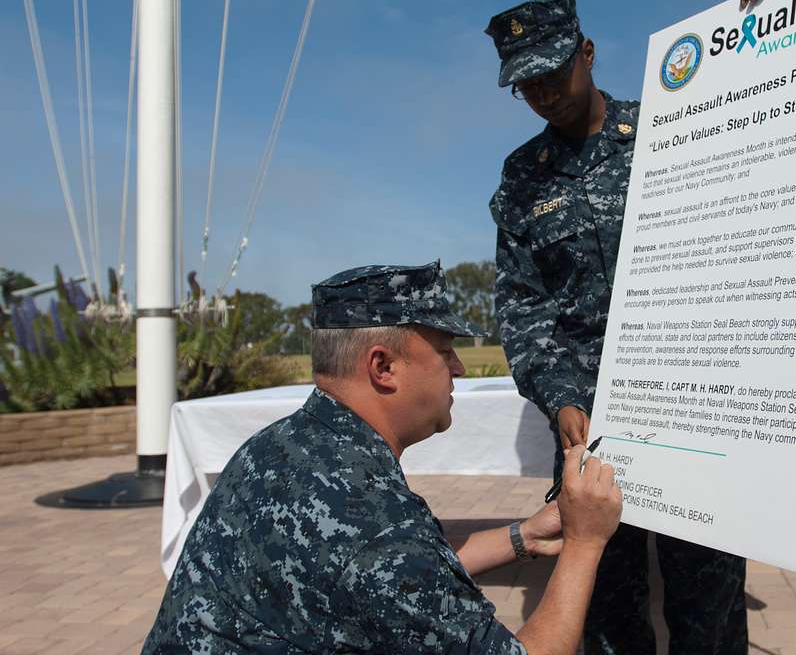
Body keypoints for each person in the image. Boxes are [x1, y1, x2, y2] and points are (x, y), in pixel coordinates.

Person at [485, 0, 775, 655]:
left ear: (587, 52)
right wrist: (559, 399)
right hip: (591, 433)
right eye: (526, 86)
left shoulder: (667, 130)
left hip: (689, 407)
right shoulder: (522, 177)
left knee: (708, 603)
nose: (543, 94)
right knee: (606, 610)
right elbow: (522, 307)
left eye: (552, 74)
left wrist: (762, 19)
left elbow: (757, 121)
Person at [142, 261, 622, 655]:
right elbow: (386, 559)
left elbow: (405, 573)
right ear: (383, 367)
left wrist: (525, 536)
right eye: (444, 350)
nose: (456, 368)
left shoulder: (279, 444)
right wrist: (585, 540)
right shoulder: (372, 520)